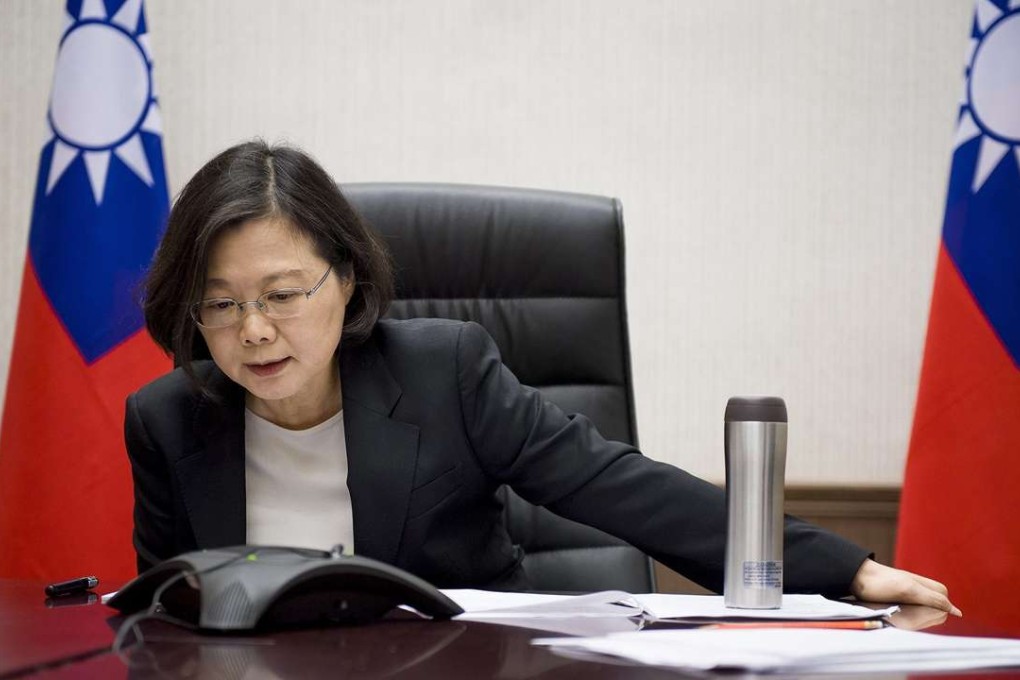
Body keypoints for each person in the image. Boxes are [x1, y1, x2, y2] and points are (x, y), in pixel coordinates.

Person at [127, 140, 959, 615]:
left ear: (345, 280)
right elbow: (169, 614)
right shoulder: (167, 419)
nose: (254, 331)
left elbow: (616, 486)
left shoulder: (442, 371)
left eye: (280, 295)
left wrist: (845, 570)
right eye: (221, 305)